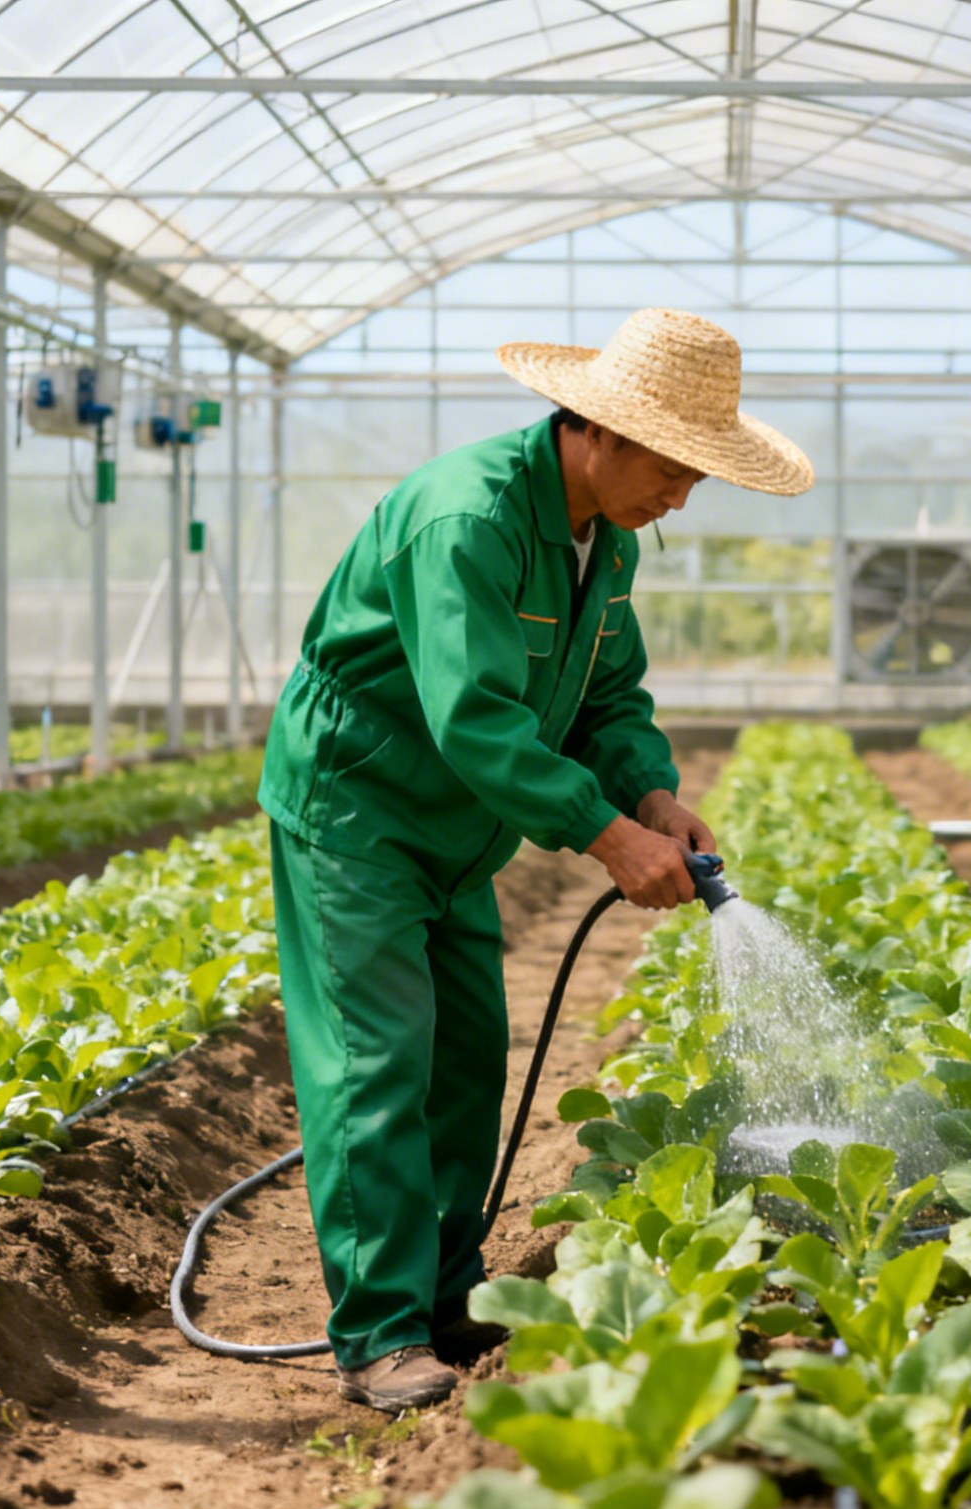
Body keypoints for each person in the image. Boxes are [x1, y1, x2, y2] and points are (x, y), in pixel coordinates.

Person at [257, 308, 816, 1411]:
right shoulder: (467, 516)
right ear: (600, 429)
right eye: (674, 467)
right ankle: (377, 1330)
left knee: (466, 1060)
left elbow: (608, 695)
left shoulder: (602, 537)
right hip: (360, 808)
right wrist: (609, 835)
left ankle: (449, 1292)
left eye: (701, 477)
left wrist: (649, 789)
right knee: (376, 1063)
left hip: (461, 826)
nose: (683, 497)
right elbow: (474, 720)